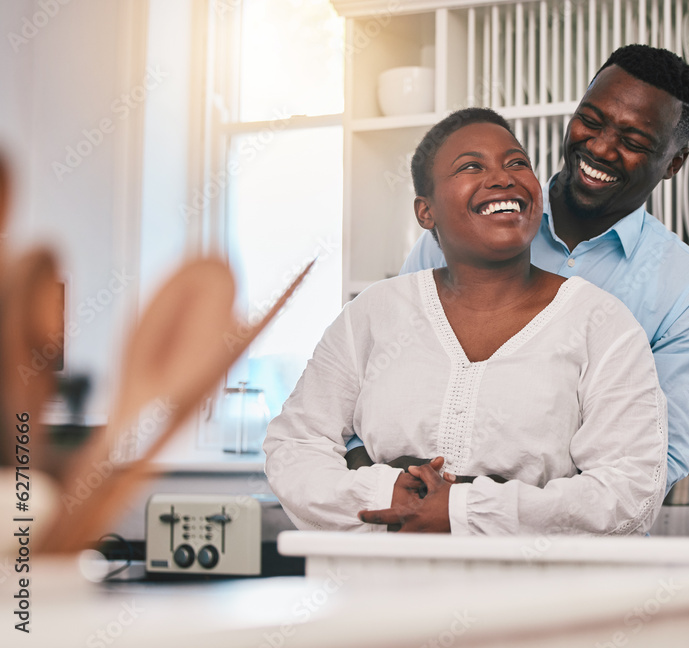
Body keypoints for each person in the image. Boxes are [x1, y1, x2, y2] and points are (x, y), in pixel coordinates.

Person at [264, 108, 667, 535]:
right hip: (380, 592)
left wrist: (464, 510)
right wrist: (385, 494)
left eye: (517, 163)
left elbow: (630, 491)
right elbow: (295, 445)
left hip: (534, 599)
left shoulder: (601, 324)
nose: (503, 178)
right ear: (426, 212)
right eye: (471, 166)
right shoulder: (374, 313)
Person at [354, 44, 689, 492]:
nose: (601, 148)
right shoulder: (466, 226)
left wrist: (469, 505)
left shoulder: (687, 292)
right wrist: (386, 481)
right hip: (414, 535)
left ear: (674, 163)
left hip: (565, 557)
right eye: (590, 120)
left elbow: (649, 467)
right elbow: (374, 387)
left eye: (633, 142)